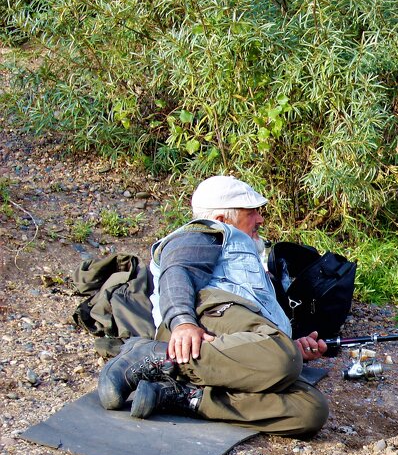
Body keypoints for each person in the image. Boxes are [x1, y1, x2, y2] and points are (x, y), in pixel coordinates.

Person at [97, 175, 329, 436]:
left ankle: (183, 396)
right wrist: (182, 322)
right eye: (251, 212)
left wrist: (289, 345)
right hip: (205, 317)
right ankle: (152, 356)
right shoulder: (206, 233)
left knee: (311, 409)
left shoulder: (251, 252)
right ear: (221, 219)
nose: (260, 219)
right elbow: (177, 271)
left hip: (228, 340)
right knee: (283, 357)